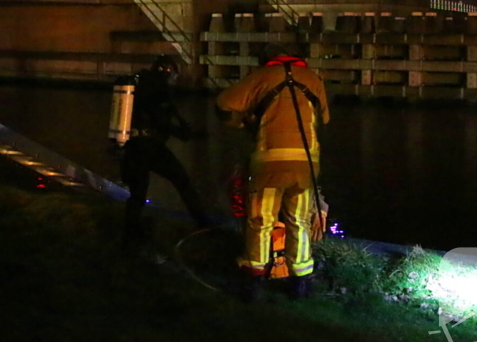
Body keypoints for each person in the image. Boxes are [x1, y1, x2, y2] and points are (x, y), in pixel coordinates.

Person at [215, 43, 330, 300]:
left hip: (268, 164)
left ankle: (253, 282)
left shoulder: (261, 77)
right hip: (305, 166)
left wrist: (241, 122)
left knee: (260, 222)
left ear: (268, 59)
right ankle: (300, 282)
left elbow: (223, 103)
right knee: (299, 222)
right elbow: (323, 119)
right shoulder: (314, 79)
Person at [119, 55, 210, 252]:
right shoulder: (158, 89)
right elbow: (160, 120)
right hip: (150, 146)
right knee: (182, 181)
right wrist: (184, 133)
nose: (174, 80)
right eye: (174, 76)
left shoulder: (140, 84)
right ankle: (204, 223)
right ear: (168, 72)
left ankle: (130, 236)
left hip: (133, 146)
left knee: (138, 194)